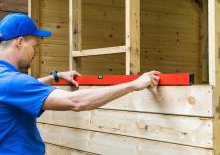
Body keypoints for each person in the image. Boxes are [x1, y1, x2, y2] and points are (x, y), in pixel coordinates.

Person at [0, 13, 160, 155]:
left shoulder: (6, 78)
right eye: (35, 46)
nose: (35, 52)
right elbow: (75, 101)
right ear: (20, 42)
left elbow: (22, 89)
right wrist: (133, 84)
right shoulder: (13, 82)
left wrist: (54, 77)